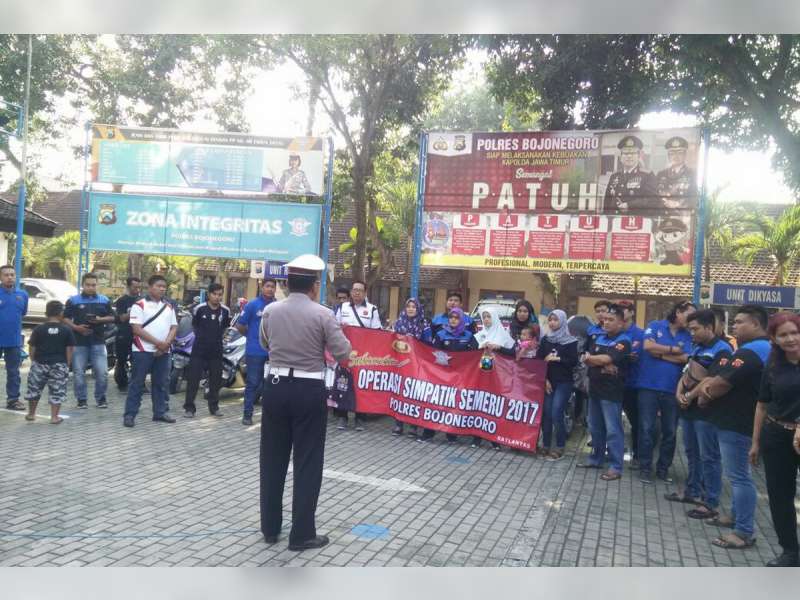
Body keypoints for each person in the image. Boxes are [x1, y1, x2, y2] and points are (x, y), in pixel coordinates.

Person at [258, 254, 351, 551]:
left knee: (272, 460)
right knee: (307, 463)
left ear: (286, 283)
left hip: (274, 386)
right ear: (314, 285)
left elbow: (265, 344)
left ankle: (270, 529)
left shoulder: (271, 311)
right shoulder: (323, 314)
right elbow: (343, 353)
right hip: (308, 389)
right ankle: (301, 535)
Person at [691, 304, 771, 550]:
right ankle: (736, 516)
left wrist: (706, 389)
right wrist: (708, 384)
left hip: (737, 422)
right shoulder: (757, 349)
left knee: (739, 477)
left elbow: (719, 384)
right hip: (738, 420)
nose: (733, 326)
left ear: (756, 324)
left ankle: (744, 531)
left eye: (739, 322)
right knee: (738, 474)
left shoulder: (751, 352)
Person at [750, 312, 800, 567]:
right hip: (776, 436)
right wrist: (756, 442)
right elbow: (761, 404)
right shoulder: (772, 365)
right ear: (774, 339)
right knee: (780, 497)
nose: (790, 339)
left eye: (794, 332)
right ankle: (790, 552)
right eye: (783, 335)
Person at [673, 310, 733, 516]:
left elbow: (711, 381)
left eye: (695, 329)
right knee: (691, 452)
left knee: (710, 456)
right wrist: (679, 392)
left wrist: (688, 396)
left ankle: (711, 502)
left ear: (709, 327)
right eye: (690, 329)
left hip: (707, 412)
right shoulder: (697, 347)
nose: (692, 333)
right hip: (689, 409)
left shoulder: (723, 350)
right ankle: (692, 491)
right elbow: (687, 372)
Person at [637, 300, 695, 483]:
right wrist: (672, 350)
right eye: (688, 314)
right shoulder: (655, 325)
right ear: (678, 312)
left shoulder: (688, 335)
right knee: (646, 429)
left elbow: (687, 358)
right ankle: (645, 467)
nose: (691, 319)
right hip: (648, 386)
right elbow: (647, 347)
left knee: (670, 431)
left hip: (673, 389)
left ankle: (663, 469)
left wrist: (661, 354)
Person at [578, 304, 631, 481]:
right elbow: (592, 360)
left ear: (621, 322)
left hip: (611, 393)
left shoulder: (624, 341)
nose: (606, 322)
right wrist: (598, 361)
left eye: (611, 320)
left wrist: (594, 359)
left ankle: (616, 467)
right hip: (595, 389)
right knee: (595, 427)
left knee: (613, 429)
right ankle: (596, 459)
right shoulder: (599, 338)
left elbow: (604, 358)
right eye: (605, 319)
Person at [123, 275, 178, 428]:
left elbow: (174, 327)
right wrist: (159, 343)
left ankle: (160, 412)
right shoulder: (139, 305)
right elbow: (136, 329)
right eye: (159, 286)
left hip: (164, 352)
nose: (162, 288)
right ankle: (130, 415)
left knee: (161, 384)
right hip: (142, 351)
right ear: (150, 287)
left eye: (164, 286)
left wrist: (166, 344)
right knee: (137, 383)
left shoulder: (169, 306)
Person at [424, 307, 478, 443]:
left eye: (456, 317)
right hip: (442, 376)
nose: (453, 320)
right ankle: (428, 433)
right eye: (451, 317)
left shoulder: (468, 336)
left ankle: (451, 434)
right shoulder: (441, 334)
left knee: (454, 404)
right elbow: (434, 352)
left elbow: (475, 354)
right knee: (436, 403)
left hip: (461, 378)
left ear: (461, 320)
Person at [63, 273, 115, 409]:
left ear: (97, 285)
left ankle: (101, 398)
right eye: (88, 285)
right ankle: (81, 400)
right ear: (82, 285)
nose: (91, 287)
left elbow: (112, 317)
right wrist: (76, 327)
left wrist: (100, 320)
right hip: (79, 342)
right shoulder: (73, 301)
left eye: (94, 285)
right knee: (78, 372)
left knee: (102, 372)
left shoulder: (104, 300)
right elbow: (65, 318)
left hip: (98, 341)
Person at [335, 280, 381, 431]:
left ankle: (360, 418)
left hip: (363, 356)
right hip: (345, 354)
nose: (356, 293)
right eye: (354, 290)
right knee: (343, 384)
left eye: (360, 290)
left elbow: (377, 333)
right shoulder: (342, 307)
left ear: (365, 293)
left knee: (361, 387)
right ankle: (342, 416)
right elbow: (334, 329)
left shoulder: (372, 309)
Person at [183, 283, 231, 419]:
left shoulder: (225, 311)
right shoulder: (199, 309)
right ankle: (189, 408)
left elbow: (225, 329)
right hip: (199, 350)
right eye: (214, 294)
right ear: (209, 294)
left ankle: (214, 407)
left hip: (216, 351)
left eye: (220, 294)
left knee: (216, 380)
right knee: (193, 380)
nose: (217, 297)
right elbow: (194, 326)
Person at [536, 309, 579, 460]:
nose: (552, 323)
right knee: (546, 413)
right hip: (549, 381)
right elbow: (539, 360)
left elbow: (574, 361)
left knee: (556, 412)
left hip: (564, 382)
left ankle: (560, 446)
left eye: (556, 320)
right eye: (550, 320)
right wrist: (545, 380)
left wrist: (558, 359)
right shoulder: (546, 339)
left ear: (562, 321)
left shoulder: (571, 341)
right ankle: (546, 444)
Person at [24, 300, 75, 424]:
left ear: (47, 313)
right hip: (59, 364)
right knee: (57, 391)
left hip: (39, 363)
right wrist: (67, 364)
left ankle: (31, 414)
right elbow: (70, 348)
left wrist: (34, 360)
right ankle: (54, 417)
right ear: (60, 313)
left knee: (34, 389)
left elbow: (32, 346)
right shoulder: (66, 330)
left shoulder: (39, 328)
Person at [473, 307, 516, 449]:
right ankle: (477, 436)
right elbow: (470, 351)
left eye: (488, 317)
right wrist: (481, 347)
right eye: (484, 317)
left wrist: (498, 347)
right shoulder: (480, 335)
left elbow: (512, 353)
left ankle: (494, 438)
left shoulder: (503, 335)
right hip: (482, 374)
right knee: (480, 403)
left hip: (498, 376)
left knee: (494, 405)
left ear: (494, 318)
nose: (486, 320)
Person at [237, 278, 277, 426]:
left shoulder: (278, 306)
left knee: (271, 386)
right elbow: (240, 325)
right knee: (252, 383)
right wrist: (252, 337)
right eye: (267, 286)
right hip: (255, 351)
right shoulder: (252, 305)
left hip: (273, 353)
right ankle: (247, 414)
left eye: (273, 287)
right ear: (262, 287)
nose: (270, 289)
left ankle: (269, 418)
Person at [392, 298, 431, 437]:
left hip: (416, 365)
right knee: (399, 391)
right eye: (408, 306)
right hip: (401, 364)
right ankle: (398, 424)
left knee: (413, 394)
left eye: (413, 307)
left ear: (418, 309)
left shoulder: (424, 324)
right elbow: (391, 341)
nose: (410, 309)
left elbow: (428, 345)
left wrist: (414, 341)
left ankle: (413, 426)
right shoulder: (399, 322)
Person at [617, 299, 644, 467]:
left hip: (633, 383)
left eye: (625, 309)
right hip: (613, 383)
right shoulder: (613, 332)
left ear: (632, 312)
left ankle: (637, 455)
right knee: (611, 421)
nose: (622, 311)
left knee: (636, 422)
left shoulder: (641, 334)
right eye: (619, 309)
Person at [603, 135, 658, 213]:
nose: (629, 156)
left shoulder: (647, 175)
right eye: (625, 153)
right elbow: (607, 202)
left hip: (636, 221)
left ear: (639, 156)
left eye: (632, 153)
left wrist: (630, 205)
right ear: (620, 157)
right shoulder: (614, 176)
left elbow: (652, 200)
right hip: (614, 220)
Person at [0, 265, 28, 411]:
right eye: (6, 275)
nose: (10, 277)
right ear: (1, 277)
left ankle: (13, 400)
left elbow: (23, 313)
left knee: (13, 372)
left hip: (14, 341)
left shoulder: (22, 294)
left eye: (12, 274)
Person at [113, 276, 142, 391]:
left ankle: (139, 383)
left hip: (138, 334)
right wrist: (133, 311)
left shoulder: (142, 300)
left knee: (138, 360)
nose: (137, 290)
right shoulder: (122, 301)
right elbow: (122, 318)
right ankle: (121, 383)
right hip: (124, 334)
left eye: (139, 287)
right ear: (129, 287)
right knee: (121, 360)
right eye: (135, 287)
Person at [656, 136, 697, 210]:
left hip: (682, 216)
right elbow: (653, 197)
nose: (676, 156)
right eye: (672, 153)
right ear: (668, 156)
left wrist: (678, 204)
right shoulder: (661, 174)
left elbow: (694, 198)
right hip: (662, 215)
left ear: (685, 155)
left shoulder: (692, 174)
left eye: (680, 153)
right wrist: (664, 202)